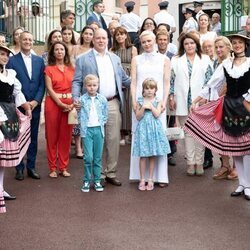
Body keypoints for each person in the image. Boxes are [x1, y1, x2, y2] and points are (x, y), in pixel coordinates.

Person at [184, 34, 250, 200]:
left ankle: (248, 185)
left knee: (247, 150)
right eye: (234, 43)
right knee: (235, 149)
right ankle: (241, 183)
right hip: (229, 107)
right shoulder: (226, 64)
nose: (237, 45)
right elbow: (212, 83)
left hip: (246, 107)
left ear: (245, 45)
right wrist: (197, 100)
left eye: (240, 43)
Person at [72, 28, 130, 186]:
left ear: (108, 40)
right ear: (93, 40)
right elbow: (77, 81)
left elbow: (125, 80)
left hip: (111, 103)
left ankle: (110, 172)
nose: (101, 40)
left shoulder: (115, 58)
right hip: (91, 104)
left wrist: (142, 80)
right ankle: (95, 175)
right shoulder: (83, 59)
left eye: (104, 38)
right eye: (98, 38)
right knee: (94, 140)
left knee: (113, 139)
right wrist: (76, 98)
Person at [130, 30, 170, 185]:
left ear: (155, 41)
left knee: (157, 138)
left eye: (149, 41)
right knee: (140, 138)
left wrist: (164, 102)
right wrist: (134, 102)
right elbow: (133, 82)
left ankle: (159, 177)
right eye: (143, 42)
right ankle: (140, 177)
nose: (147, 44)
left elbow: (166, 83)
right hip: (140, 103)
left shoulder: (165, 59)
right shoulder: (136, 59)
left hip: (157, 104)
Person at [169, 31, 213, 176]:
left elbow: (210, 80)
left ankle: (199, 162)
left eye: (192, 43)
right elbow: (171, 80)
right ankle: (190, 163)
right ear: (182, 45)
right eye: (186, 43)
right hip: (181, 99)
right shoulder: (176, 60)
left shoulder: (205, 59)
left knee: (199, 133)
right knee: (188, 133)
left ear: (196, 44)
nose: (189, 45)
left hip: (200, 102)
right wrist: (171, 97)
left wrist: (206, 97)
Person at [7, 31, 45, 181]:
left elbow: (42, 83)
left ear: (32, 41)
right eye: (25, 39)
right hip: (18, 106)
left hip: (35, 105)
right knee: (18, 137)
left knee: (33, 137)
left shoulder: (39, 60)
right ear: (19, 41)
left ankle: (31, 166)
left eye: (30, 39)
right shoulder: (11, 60)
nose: (27, 42)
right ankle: (19, 168)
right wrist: (21, 102)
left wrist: (36, 101)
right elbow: (11, 83)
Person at [0, 43, 31, 213]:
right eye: (2, 54)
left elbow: (17, 93)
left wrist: (26, 106)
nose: (5, 57)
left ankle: (1, 188)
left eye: (6, 55)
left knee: (2, 158)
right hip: (0, 114)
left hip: (9, 113)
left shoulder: (10, 74)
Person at [133, 78, 170, 191]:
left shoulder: (158, 101)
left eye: (152, 88)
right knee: (143, 155)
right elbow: (138, 117)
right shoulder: (140, 100)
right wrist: (144, 107)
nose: (149, 91)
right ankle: (142, 179)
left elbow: (157, 114)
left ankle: (150, 179)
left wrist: (151, 106)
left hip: (154, 129)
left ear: (155, 90)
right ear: (143, 89)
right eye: (147, 88)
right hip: (143, 129)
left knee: (152, 155)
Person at [44, 41, 74, 178]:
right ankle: (52, 168)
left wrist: (72, 104)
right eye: (56, 49)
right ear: (53, 52)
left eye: (62, 49)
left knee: (66, 136)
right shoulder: (49, 69)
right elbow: (49, 89)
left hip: (69, 104)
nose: (59, 52)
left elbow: (76, 86)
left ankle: (63, 167)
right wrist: (60, 104)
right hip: (53, 103)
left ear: (65, 52)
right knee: (52, 136)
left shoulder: (72, 68)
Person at [80, 74, 108, 192]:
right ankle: (86, 180)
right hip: (87, 131)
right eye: (89, 85)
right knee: (88, 157)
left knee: (97, 157)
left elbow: (105, 114)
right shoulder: (81, 99)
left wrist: (102, 123)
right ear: (86, 86)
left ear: (98, 85)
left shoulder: (102, 99)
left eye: (94, 85)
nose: (92, 87)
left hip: (98, 130)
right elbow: (78, 113)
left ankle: (97, 180)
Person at [110, 26, 137, 145]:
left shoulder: (133, 49)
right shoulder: (112, 50)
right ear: (114, 37)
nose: (120, 36)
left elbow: (135, 64)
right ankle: (121, 133)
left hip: (130, 77)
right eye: (117, 35)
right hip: (117, 78)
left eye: (122, 34)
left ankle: (131, 133)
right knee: (121, 106)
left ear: (126, 35)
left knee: (130, 105)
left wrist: (131, 79)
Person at [72, 25, 94, 159]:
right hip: (79, 85)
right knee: (78, 120)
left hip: (91, 87)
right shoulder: (75, 48)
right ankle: (78, 147)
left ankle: (88, 146)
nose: (87, 36)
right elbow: (70, 65)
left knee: (90, 119)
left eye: (90, 34)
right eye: (85, 33)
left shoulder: (94, 49)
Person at [156, 30, 176, 167]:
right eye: (160, 39)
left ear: (168, 41)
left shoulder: (173, 57)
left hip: (168, 94)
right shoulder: (152, 56)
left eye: (165, 39)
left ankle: (170, 153)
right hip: (155, 95)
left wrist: (170, 96)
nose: (162, 42)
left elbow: (173, 78)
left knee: (169, 123)